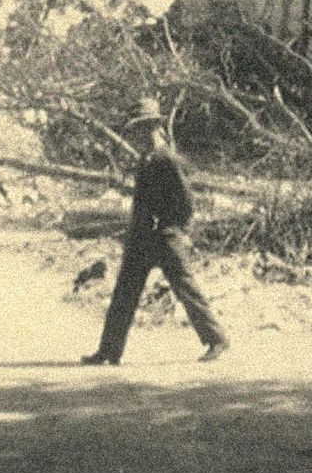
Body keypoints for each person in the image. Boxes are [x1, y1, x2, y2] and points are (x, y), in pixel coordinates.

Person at [82, 97, 229, 365]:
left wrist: (176, 230)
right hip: (141, 237)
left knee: (186, 288)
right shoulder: (146, 159)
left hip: (165, 236)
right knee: (124, 292)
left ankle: (216, 339)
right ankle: (108, 351)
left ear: (155, 127)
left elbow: (187, 202)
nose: (141, 133)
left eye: (145, 127)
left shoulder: (166, 158)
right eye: (138, 128)